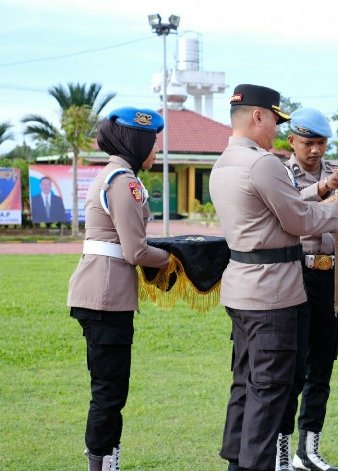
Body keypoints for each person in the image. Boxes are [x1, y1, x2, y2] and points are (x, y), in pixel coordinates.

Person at [209, 84, 338, 471]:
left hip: (242, 289)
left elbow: (283, 208)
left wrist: (321, 191)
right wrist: (336, 207)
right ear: (258, 116)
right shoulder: (264, 163)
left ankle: (237, 464)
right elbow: (297, 220)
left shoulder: (224, 162)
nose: (275, 129)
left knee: (244, 387)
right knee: (269, 393)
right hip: (272, 294)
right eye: (275, 120)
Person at [67, 107, 171, 471]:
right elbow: (136, 251)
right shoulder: (123, 181)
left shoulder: (111, 175)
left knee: (108, 389)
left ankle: (105, 460)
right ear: (137, 141)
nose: (156, 151)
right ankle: (102, 464)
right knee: (109, 392)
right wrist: (176, 259)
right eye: (153, 143)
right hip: (106, 298)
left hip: (100, 294)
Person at [277, 108, 338, 471]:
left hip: (330, 281)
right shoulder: (279, 173)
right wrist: (324, 191)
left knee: (322, 365)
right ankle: (279, 454)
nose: (315, 151)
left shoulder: (335, 171)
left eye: (321, 143)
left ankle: (308, 450)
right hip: (296, 276)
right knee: (293, 370)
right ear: (291, 141)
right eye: (308, 143)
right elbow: (289, 210)